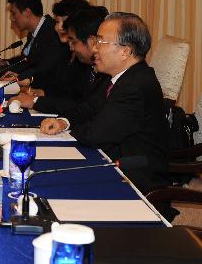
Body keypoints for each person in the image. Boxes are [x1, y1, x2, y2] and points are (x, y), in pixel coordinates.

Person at [40, 12, 170, 194]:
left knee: (50, 184)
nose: (94, 49)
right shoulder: (119, 77)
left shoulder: (135, 86)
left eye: (100, 42)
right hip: (111, 161)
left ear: (126, 51)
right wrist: (63, 122)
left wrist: (67, 130)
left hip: (133, 181)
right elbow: (86, 109)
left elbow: (95, 134)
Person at [12, 6, 108, 113]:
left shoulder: (105, 70)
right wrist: (41, 92)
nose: (60, 27)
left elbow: (81, 106)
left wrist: (36, 101)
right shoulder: (87, 63)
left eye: (73, 40)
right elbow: (68, 92)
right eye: (58, 22)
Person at [0, 0, 70, 93]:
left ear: (27, 12)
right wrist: (5, 63)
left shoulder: (52, 33)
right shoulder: (36, 31)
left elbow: (41, 69)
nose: (12, 18)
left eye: (14, 13)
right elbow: (26, 59)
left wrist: (0, 71)